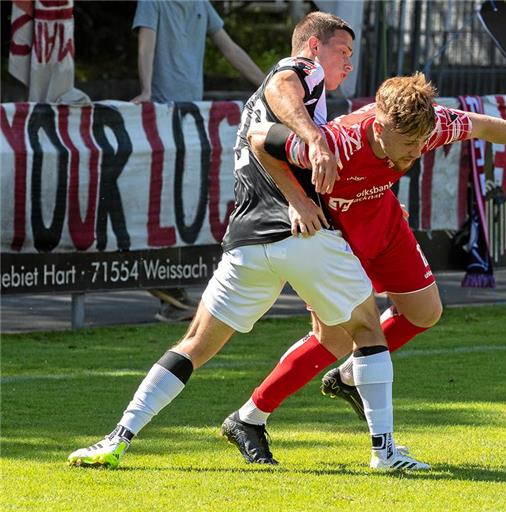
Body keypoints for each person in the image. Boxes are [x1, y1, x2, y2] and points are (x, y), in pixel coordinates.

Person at [67, 13, 428, 472]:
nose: (348, 63)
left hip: (245, 240)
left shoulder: (280, 107)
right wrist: (312, 146)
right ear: (314, 48)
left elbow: (266, 138)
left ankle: (117, 437)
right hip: (303, 237)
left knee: (194, 343)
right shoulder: (298, 73)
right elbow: (282, 83)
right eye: (343, 51)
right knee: (367, 330)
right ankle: (385, 452)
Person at [219, 72, 506, 462]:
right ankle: (249, 417)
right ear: (379, 126)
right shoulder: (339, 142)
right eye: (408, 144)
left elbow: (482, 125)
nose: (416, 152)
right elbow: (259, 139)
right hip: (336, 235)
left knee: (424, 312)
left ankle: (350, 377)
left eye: (421, 143)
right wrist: (296, 199)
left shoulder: (426, 125)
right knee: (333, 339)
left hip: (384, 221)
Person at [130, 0, 267, 322]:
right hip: (163, 117)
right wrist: (147, 89)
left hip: (192, 119)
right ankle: (164, 282)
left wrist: (271, 87)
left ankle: (171, 293)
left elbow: (229, 48)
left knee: (184, 202)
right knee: (163, 201)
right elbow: (146, 41)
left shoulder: (200, 4)